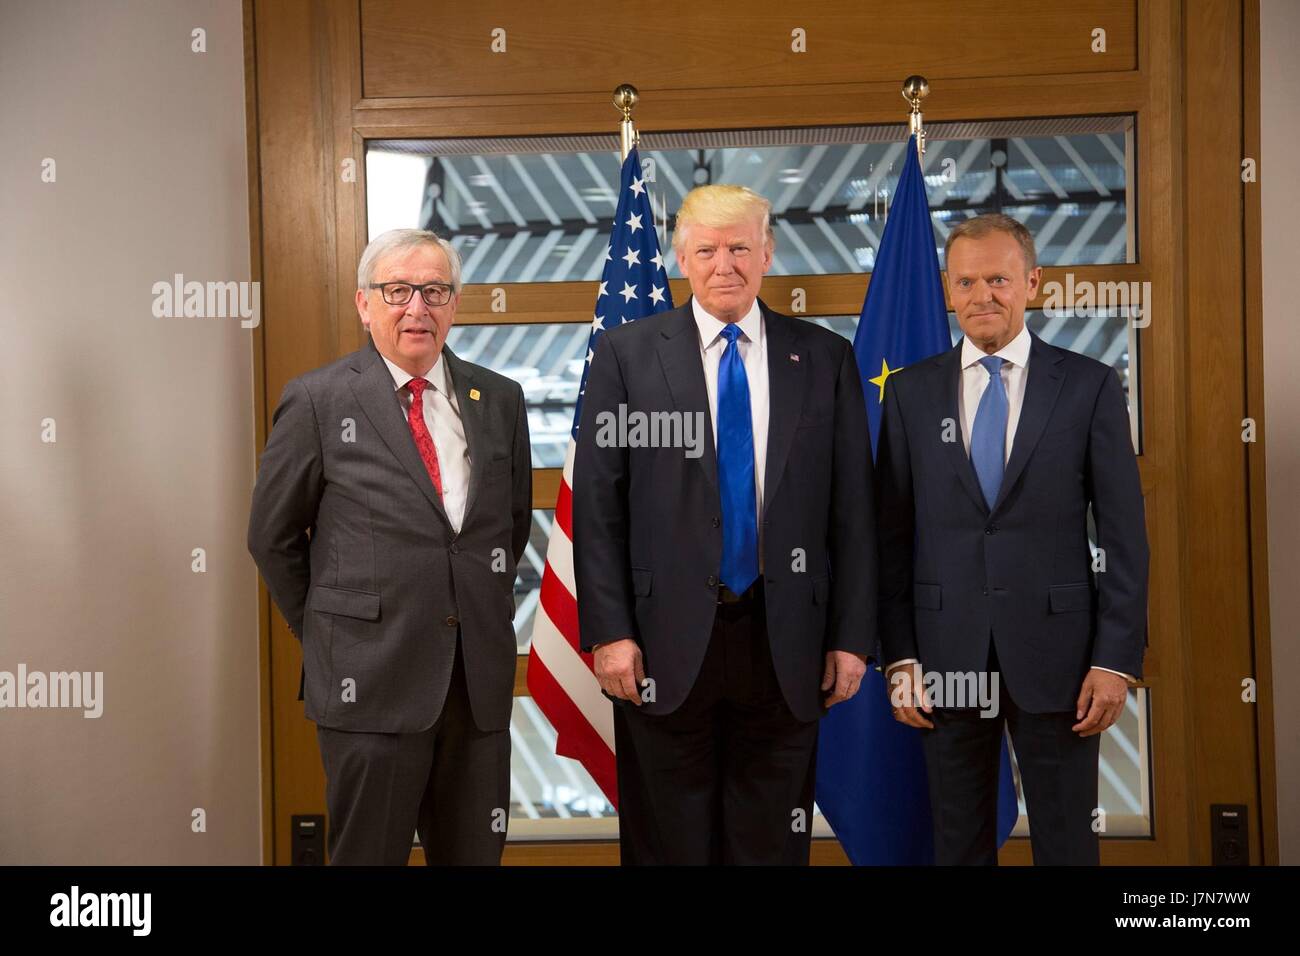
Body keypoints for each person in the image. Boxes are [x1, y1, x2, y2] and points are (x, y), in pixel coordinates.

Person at [573, 184, 875, 864]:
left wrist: (853, 637)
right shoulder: (626, 355)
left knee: (770, 845)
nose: (725, 264)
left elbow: (853, 509)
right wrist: (611, 631)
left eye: (741, 246)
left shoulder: (823, 357)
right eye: (707, 249)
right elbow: (599, 508)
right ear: (682, 257)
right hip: (660, 645)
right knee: (669, 848)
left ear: (768, 252)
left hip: (786, 642)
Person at [247, 228, 531, 864]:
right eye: (398, 290)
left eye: (434, 291)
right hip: (367, 680)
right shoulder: (320, 399)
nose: (417, 308)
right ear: (364, 303)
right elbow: (271, 536)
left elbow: (506, 532)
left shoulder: (500, 399)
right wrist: (329, 627)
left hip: (475, 687)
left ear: (455, 303)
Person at [876, 213, 1148, 865]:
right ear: (947, 290)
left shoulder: (1088, 386)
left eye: (998, 279)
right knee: (958, 841)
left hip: (1063, 660)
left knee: (1066, 842)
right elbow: (891, 537)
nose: (982, 297)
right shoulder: (911, 396)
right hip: (944, 657)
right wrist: (901, 657)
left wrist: (1115, 660)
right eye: (966, 282)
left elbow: (1125, 535)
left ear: (1033, 282)